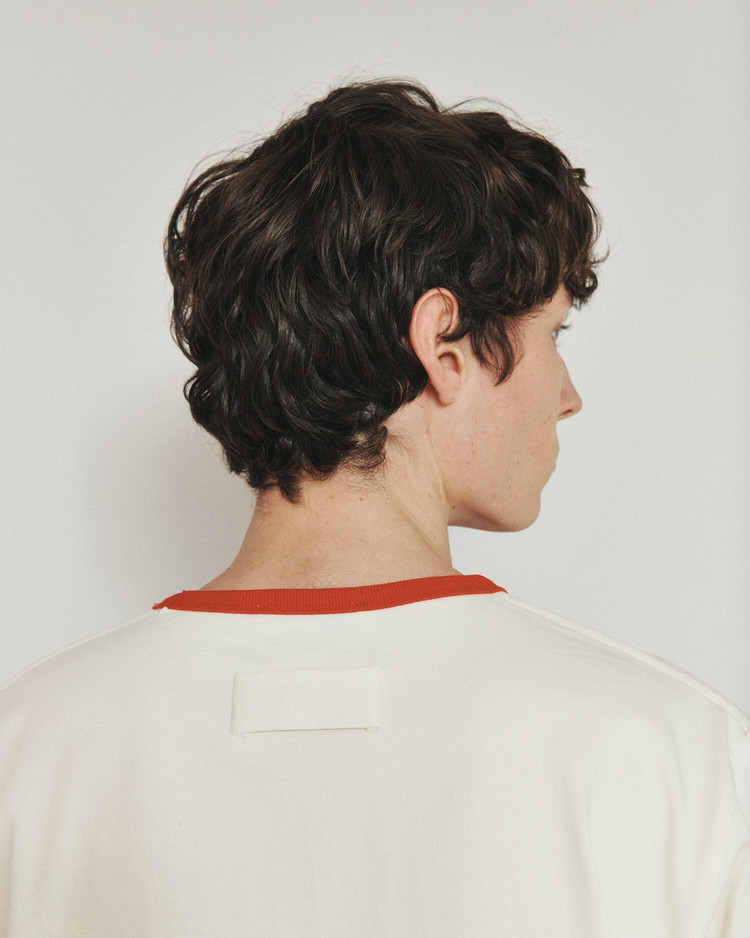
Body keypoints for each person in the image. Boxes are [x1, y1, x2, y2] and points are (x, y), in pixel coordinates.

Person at [1, 79, 748, 937]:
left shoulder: (29, 748)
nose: (568, 396)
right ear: (443, 344)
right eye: (554, 334)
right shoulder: (671, 754)